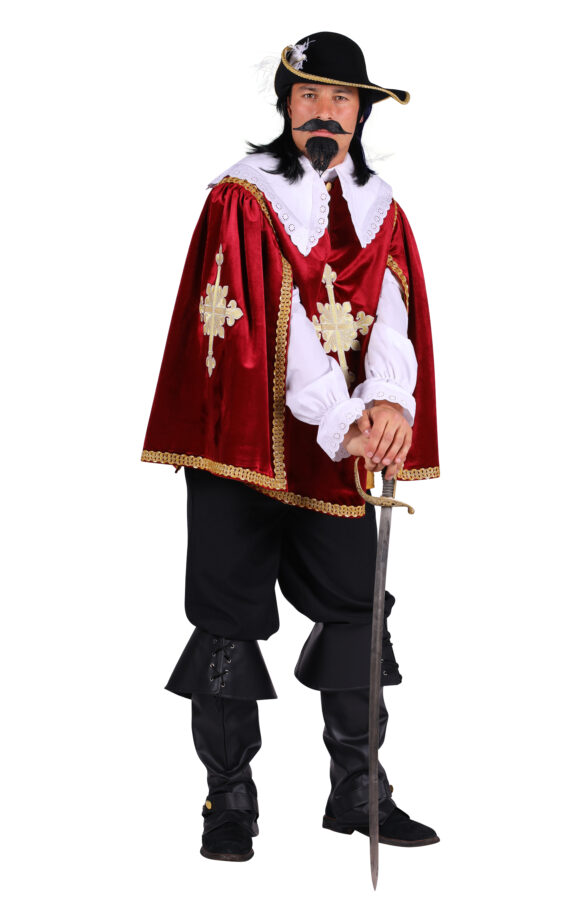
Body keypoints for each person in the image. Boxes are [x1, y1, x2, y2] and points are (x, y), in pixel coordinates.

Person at [142, 31, 440, 862]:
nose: (325, 113)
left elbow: (392, 317)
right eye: (309, 95)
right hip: (242, 439)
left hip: (335, 449)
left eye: (342, 99)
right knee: (228, 625)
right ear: (285, 104)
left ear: (361, 113)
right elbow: (273, 321)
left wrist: (390, 401)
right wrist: (343, 418)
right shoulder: (244, 196)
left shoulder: (382, 209)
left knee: (357, 613)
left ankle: (358, 791)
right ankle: (228, 799)